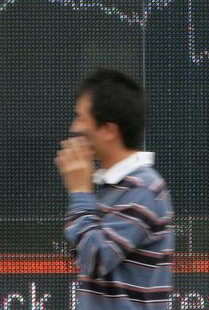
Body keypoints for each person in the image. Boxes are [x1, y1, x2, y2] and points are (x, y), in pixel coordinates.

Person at [56, 68, 174, 309]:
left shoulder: (143, 189)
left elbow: (95, 258)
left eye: (80, 118)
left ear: (109, 130)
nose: (74, 128)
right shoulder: (111, 186)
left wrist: (80, 192)